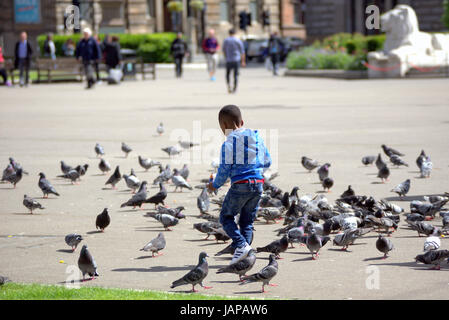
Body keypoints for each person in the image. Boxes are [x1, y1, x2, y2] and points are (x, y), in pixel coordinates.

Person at [207, 105, 272, 264]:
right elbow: (267, 161)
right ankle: (245, 254)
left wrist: (214, 185)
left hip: (240, 185)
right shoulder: (257, 138)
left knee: (226, 217)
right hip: (258, 184)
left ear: (223, 126)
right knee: (247, 222)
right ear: (242, 121)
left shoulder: (228, 144)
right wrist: (253, 168)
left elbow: (224, 170)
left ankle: (242, 245)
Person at [222, 29, 245, 93]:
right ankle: (235, 88)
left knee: (228, 74)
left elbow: (223, 50)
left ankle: (229, 86)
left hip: (228, 59)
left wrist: (226, 57)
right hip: (236, 59)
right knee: (235, 75)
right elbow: (242, 51)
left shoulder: (226, 40)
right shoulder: (238, 40)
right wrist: (243, 61)